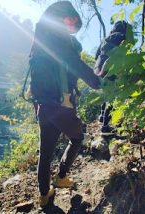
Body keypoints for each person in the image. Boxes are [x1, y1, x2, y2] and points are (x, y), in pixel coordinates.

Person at [29, 1, 101, 208]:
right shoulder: (59, 39)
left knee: (46, 153)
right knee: (78, 138)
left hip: (43, 107)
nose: (71, 26)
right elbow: (74, 63)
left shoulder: (40, 37)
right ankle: (61, 176)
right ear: (63, 17)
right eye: (70, 20)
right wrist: (97, 82)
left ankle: (44, 196)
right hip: (62, 106)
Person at [93, 21, 128, 151]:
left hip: (99, 69)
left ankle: (103, 118)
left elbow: (96, 55)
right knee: (112, 97)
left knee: (106, 95)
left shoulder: (105, 39)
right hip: (111, 68)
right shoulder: (121, 36)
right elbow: (123, 54)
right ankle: (105, 127)